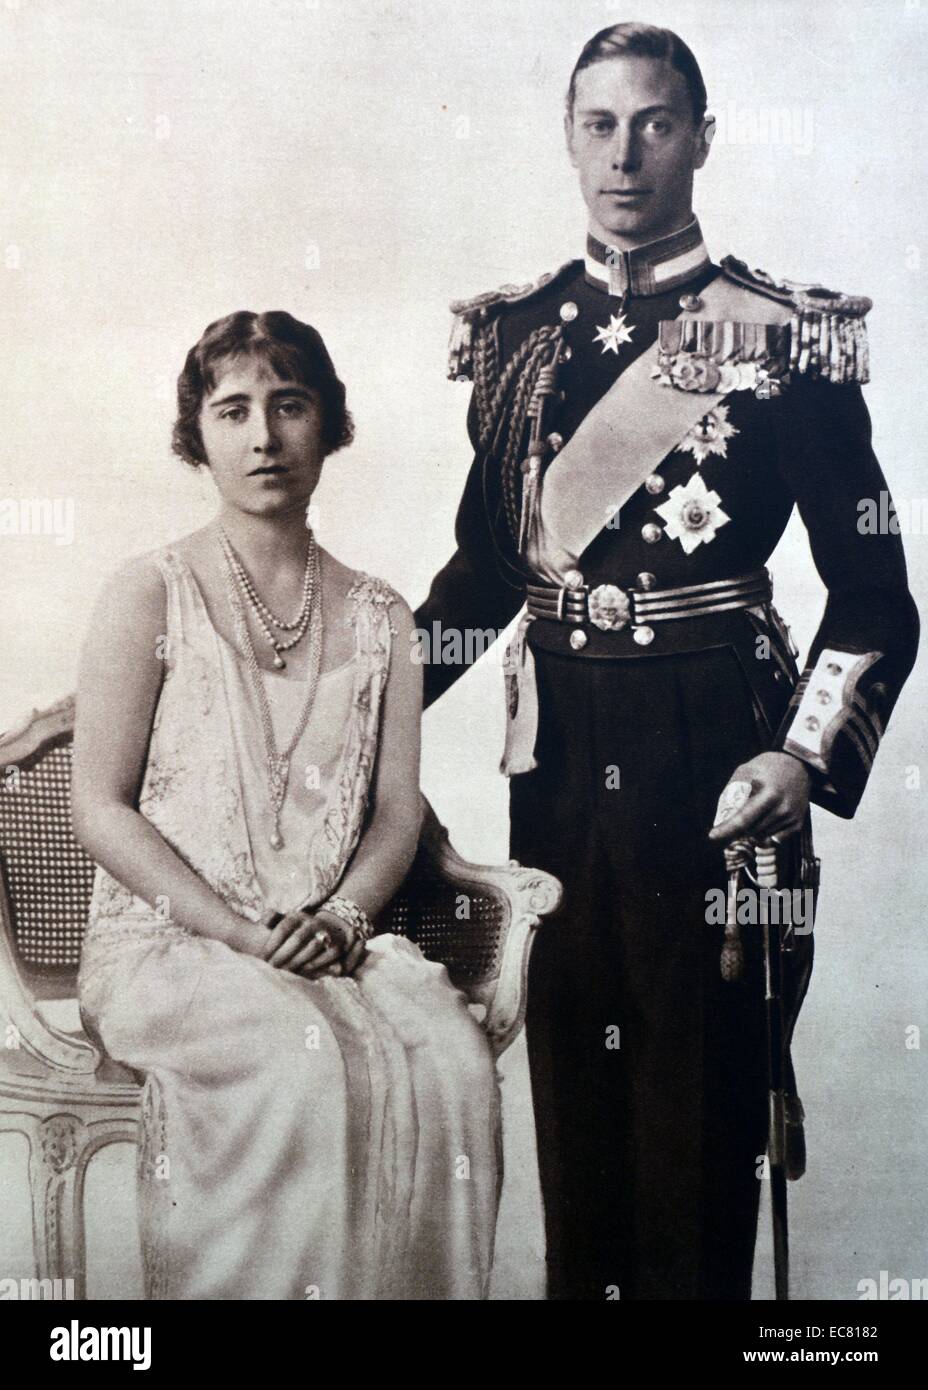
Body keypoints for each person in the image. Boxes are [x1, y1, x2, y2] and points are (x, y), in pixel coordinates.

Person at [415, 22, 919, 1300]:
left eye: (653, 123)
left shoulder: (787, 342)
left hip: (716, 760)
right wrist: (349, 709)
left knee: (697, 1130)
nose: (625, 154)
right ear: (568, 139)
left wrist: (799, 752)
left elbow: (873, 598)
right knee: (574, 1126)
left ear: (701, 136)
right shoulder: (518, 339)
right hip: (561, 761)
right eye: (599, 125)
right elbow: (483, 582)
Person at [73, 309, 500, 1301]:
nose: (263, 435)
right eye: (233, 410)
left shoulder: (382, 616)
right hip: (170, 946)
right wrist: (235, 930)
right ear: (197, 435)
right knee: (298, 1063)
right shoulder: (146, 593)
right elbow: (100, 805)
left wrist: (344, 915)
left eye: (289, 404)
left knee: (446, 1057)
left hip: (324, 939)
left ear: (331, 425)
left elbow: (397, 812)